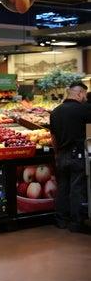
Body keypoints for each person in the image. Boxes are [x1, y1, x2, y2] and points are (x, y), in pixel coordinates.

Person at [49, 81, 91, 233]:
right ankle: (76, 222)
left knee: (63, 187)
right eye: (84, 94)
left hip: (61, 154)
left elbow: (53, 137)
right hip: (77, 154)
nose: (85, 98)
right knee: (77, 188)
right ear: (80, 93)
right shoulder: (84, 109)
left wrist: (56, 153)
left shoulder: (55, 112)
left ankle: (61, 220)